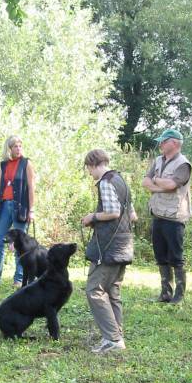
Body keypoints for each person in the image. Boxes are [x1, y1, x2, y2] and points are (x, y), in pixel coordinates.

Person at [82, 149, 137, 354]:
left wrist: (92, 217)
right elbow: (132, 216)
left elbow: (113, 212)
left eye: (88, 168)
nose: (89, 173)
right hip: (125, 243)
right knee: (112, 291)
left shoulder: (105, 182)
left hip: (108, 246)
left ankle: (113, 339)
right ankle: (116, 336)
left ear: (94, 164)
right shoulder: (121, 180)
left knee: (94, 291)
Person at [142, 129, 191, 304]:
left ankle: (179, 295)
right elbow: (145, 182)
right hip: (157, 214)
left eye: (164, 141)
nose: (160, 144)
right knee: (160, 256)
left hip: (174, 217)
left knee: (176, 257)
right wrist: (160, 185)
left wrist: (156, 181)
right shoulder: (157, 160)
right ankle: (165, 293)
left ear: (175, 143)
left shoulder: (183, 164)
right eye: (161, 141)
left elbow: (172, 184)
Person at [0, 135, 35, 288]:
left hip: (20, 208)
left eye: (20, 146)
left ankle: (18, 279)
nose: (18, 149)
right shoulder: (3, 165)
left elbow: (31, 188)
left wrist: (32, 210)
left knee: (20, 245)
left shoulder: (26, 163)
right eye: (15, 146)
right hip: (4, 206)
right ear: (9, 149)